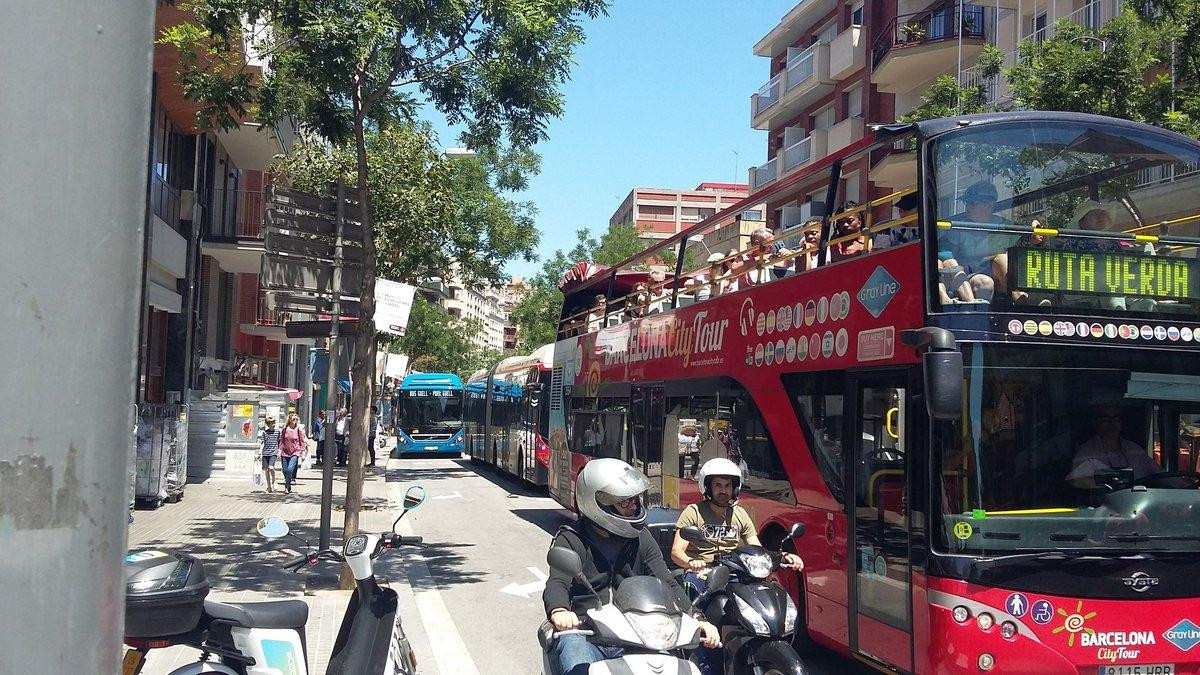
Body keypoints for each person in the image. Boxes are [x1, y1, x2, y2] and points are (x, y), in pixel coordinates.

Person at [543, 458, 721, 675]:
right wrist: (560, 610)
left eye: (634, 500)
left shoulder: (641, 537)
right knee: (578, 666)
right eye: (623, 501)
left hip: (636, 634)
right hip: (584, 633)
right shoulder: (571, 538)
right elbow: (557, 582)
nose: (633, 506)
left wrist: (696, 617)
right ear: (597, 502)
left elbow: (665, 580)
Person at [670, 458, 803, 675]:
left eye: (728, 486)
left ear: (735, 488)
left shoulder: (740, 514)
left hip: (736, 570)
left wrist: (783, 556)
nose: (723, 491)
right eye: (718, 486)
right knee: (714, 608)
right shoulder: (694, 512)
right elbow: (677, 551)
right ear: (708, 487)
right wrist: (692, 562)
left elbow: (756, 547)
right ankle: (704, 659)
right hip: (702, 573)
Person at [1066, 405, 1161, 489]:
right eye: (1105, 419)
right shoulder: (1087, 451)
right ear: (1095, 422)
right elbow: (1076, 481)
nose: (1112, 423)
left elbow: (1160, 475)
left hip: (1138, 504)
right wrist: (1107, 484)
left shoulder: (1135, 449)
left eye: (1116, 418)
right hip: (1104, 506)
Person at [279, 414, 308, 493]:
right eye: (294, 419)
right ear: (290, 420)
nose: (295, 421)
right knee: (285, 470)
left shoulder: (298, 430)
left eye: (296, 419)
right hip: (285, 452)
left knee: (289, 469)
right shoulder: (285, 430)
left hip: (295, 452)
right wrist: (279, 451)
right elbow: (281, 441)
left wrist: (303, 452)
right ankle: (288, 483)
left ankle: (286, 486)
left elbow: (302, 441)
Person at [257, 415, 283, 493]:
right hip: (265, 453)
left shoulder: (278, 432)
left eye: (274, 422)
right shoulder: (265, 433)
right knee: (266, 470)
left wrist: (279, 451)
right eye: (271, 423)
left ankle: (274, 481)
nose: (273, 424)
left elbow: (280, 442)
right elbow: (263, 443)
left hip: (273, 452)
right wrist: (259, 453)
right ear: (268, 424)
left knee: (271, 467)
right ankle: (269, 486)